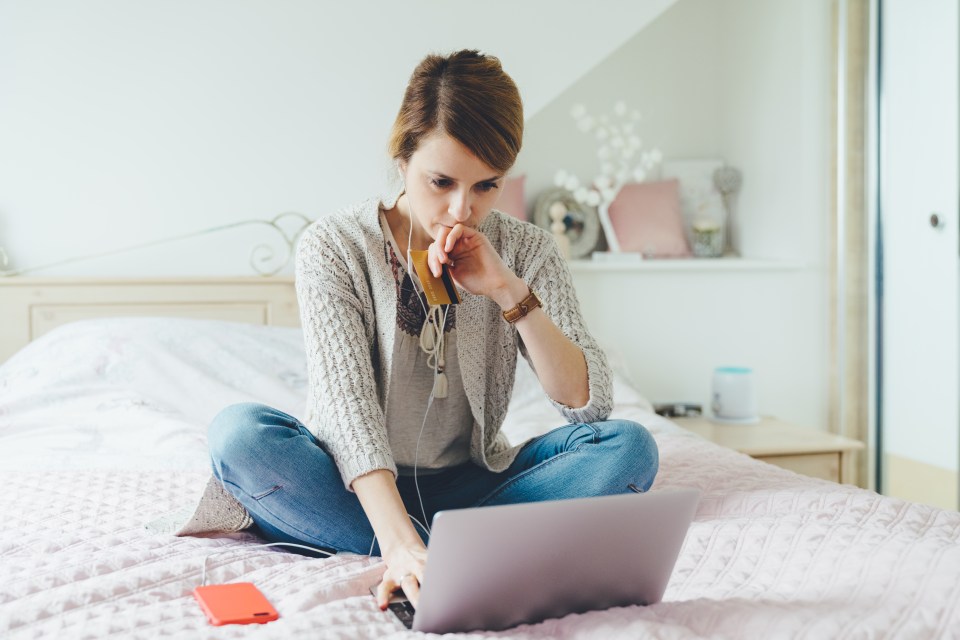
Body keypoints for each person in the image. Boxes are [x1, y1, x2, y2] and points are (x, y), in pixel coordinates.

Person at [180, 49, 658, 612]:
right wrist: (401, 545)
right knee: (239, 437)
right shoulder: (335, 247)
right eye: (442, 181)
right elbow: (345, 412)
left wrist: (508, 291)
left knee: (628, 449)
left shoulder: (526, 249)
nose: (462, 209)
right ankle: (451, 553)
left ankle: (444, 553)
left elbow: (588, 404)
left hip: (474, 483)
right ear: (402, 157)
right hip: (351, 487)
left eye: (487, 186)